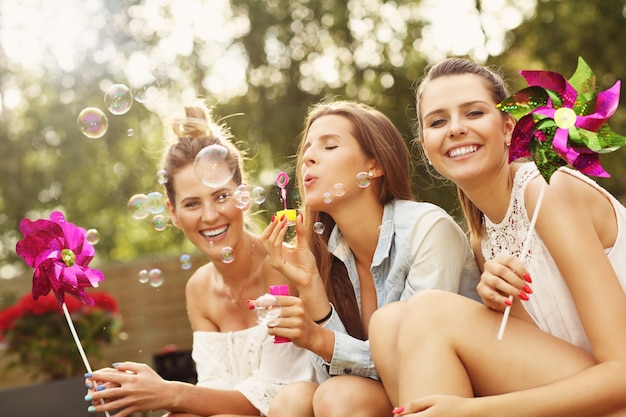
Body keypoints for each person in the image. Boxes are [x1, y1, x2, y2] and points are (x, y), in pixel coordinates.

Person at [369, 57, 626, 416]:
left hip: (612, 394)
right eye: (438, 121)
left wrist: (470, 411)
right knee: (387, 323)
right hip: (575, 387)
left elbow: (622, 375)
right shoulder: (483, 241)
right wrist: (502, 305)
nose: (455, 128)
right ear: (425, 147)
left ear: (508, 128)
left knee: (430, 311)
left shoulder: (549, 192)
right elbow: (540, 352)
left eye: (473, 113)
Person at [84, 102, 324, 417]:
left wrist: (166, 392)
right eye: (192, 203)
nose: (210, 216)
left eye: (221, 196)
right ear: (173, 213)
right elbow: (215, 391)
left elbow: (272, 396)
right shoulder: (199, 288)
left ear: (244, 195)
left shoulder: (284, 267)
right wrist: (139, 392)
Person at [260, 100, 481, 417]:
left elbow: (413, 363)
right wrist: (310, 287)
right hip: (392, 399)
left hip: (454, 399)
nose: (307, 158)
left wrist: (319, 339)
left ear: (374, 166)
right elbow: (333, 374)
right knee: (291, 400)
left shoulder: (428, 230)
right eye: (307, 150)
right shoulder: (325, 252)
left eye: (330, 146)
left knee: (338, 398)